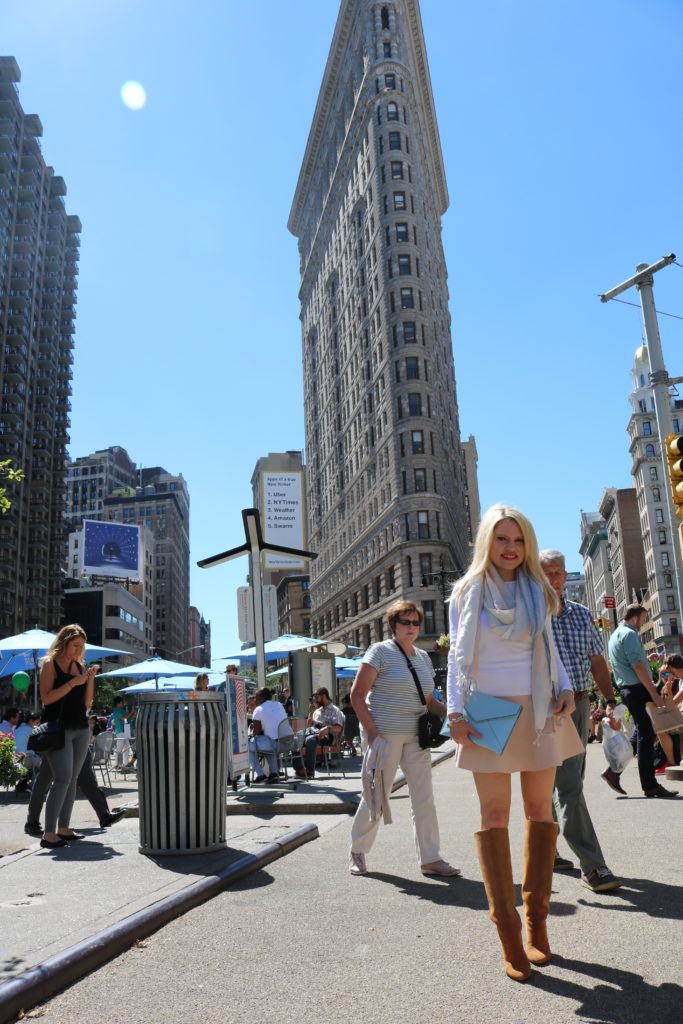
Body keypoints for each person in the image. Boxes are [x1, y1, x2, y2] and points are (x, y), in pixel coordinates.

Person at [447, 506, 582, 982]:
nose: (510, 547)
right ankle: (508, 934)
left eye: (519, 539)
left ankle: (537, 927)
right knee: (494, 816)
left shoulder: (538, 590)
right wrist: (454, 712)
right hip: (486, 707)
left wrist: (566, 687)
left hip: (540, 704)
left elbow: (549, 647)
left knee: (540, 811)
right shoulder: (466, 592)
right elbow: (455, 661)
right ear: (488, 541)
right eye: (502, 538)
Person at [348, 599, 460, 879]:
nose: (411, 627)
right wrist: (372, 734)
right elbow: (356, 696)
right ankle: (358, 851)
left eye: (415, 622)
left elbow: (429, 700)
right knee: (377, 795)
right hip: (384, 734)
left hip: (416, 735)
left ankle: (430, 858)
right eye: (405, 622)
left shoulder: (422, 658)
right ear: (393, 625)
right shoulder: (380, 652)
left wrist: (454, 716)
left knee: (424, 798)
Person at [539, 549, 621, 893]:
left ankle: (549, 848)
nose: (555, 580)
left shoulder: (581, 614)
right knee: (567, 784)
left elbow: (597, 661)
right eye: (547, 573)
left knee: (567, 782)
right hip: (547, 709)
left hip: (582, 704)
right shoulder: (531, 614)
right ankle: (593, 865)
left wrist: (612, 701)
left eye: (559, 573)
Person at [607, 605, 678, 799]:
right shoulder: (629, 634)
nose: (643, 622)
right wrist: (654, 694)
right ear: (635, 617)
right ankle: (650, 785)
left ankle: (614, 772)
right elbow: (637, 666)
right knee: (646, 735)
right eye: (644, 618)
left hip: (629, 689)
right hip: (638, 689)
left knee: (640, 733)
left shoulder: (615, 635)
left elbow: (632, 663)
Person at [38, 624, 97, 849]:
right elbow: (47, 698)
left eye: (81, 647)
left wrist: (89, 679)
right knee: (62, 778)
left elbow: (87, 703)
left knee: (72, 780)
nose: (78, 650)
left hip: (81, 727)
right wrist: (73, 682)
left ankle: (64, 828)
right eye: (75, 646)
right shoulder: (49, 664)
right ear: (64, 642)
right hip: (57, 728)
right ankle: (49, 833)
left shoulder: (79, 665)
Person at [24, 749, 126, 835]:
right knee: (45, 779)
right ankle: (33, 822)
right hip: (60, 739)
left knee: (88, 780)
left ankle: (104, 816)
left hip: (80, 736)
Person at [292, 687, 344, 779]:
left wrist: (327, 729)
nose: (315, 699)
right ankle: (299, 769)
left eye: (316, 696)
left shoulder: (334, 710)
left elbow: (338, 728)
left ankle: (309, 771)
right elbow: (309, 726)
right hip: (315, 732)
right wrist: (310, 712)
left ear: (324, 696)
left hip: (328, 736)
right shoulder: (317, 711)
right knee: (296, 738)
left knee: (310, 740)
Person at [248, 687, 287, 784]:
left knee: (246, 747)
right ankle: (273, 773)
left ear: (261, 698)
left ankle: (261, 775)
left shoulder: (258, 709)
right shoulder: (279, 704)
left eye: (256, 698)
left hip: (272, 744)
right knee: (267, 742)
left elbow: (256, 734)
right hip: (286, 742)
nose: (254, 700)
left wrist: (254, 728)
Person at [111, 696, 130, 769]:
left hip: (125, 731)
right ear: (118, 703)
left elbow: (127, 716)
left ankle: (126, 763)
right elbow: (124, 718)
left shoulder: (121, 710)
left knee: (126, 747)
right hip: (120, 731)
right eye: (122, 702)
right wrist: (131, 712)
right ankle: (118, 764)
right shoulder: (116, 711)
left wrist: (131, 713)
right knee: (119, 748)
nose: (123, 704)